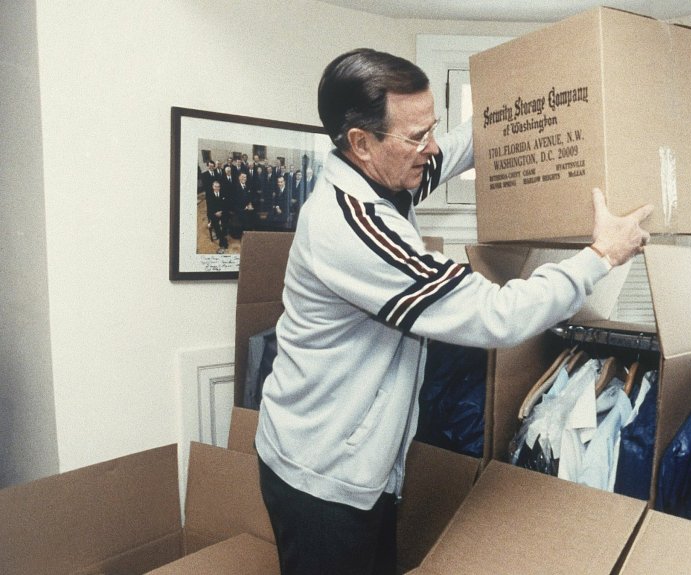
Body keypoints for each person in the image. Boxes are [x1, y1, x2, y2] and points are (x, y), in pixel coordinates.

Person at [254, 47, 652, 575]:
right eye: (417, 136)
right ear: (361, 142)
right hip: (321, 476)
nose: (432, 148)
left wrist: (536, 100)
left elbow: (460, 146)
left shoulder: (386, 176)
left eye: (432, 128)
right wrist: (601, 256)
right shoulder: (352, 228)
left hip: (355, 463)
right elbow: (497, 315)